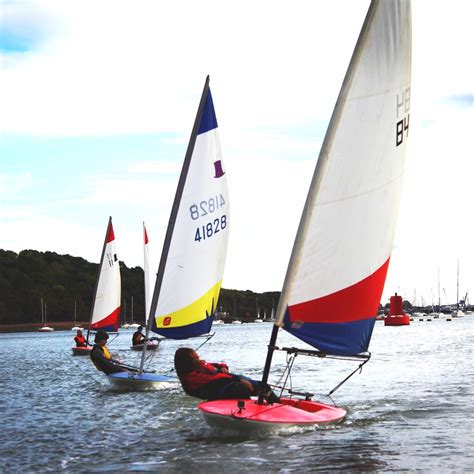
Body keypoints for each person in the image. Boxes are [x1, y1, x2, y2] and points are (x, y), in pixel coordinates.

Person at [174, 348, 279, 403]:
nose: (199, 359)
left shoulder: (199, 365)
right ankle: (246, 414)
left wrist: (223, 367)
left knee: (263, 386)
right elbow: (217, 379)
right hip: (216, 394)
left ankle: (278, 407)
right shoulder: (190, 377)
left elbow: (217, 366)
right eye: (196, 358)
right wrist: (239, 380)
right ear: (188, 362)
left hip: (225, 385)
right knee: (241, 387)